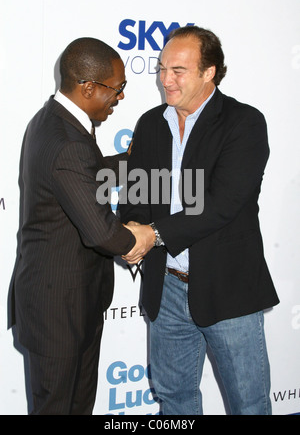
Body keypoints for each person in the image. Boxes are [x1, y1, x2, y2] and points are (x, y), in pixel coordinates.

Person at [120, 26, 280, 415]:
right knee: (175, 403)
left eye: (178, 71)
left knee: (249, 406)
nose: (165, 79)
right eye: (162, 69)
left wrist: (152, 234)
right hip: (167, 288)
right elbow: (137, 194)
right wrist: (129, 232)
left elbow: (223, 205)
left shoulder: (243, 123)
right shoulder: (151, 123)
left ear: (209, 73)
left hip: (229, 291)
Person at [8, 37, 152, 415]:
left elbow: (83, 175)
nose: (119, 97)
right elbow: (103, 232)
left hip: (72, 302)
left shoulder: (52, 121)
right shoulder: (66, 139)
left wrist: (132, 161)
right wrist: (142, 238)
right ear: (88, 87)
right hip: (58, 311)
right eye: (116, 88)